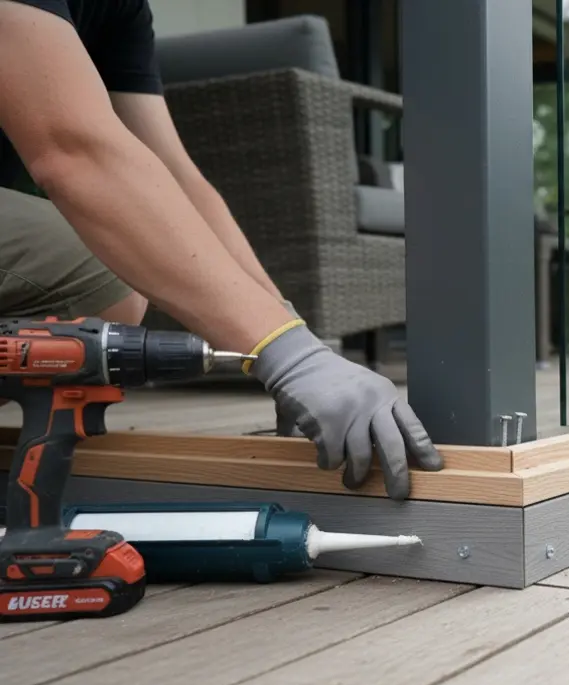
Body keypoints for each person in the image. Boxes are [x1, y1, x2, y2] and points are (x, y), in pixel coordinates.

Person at [0, 0, 444, 499]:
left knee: (99, 303)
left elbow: (176, 177)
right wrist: (288, 356)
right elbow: (72, 149)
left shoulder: (121, 11)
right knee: (96, 279)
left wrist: (287, 332)